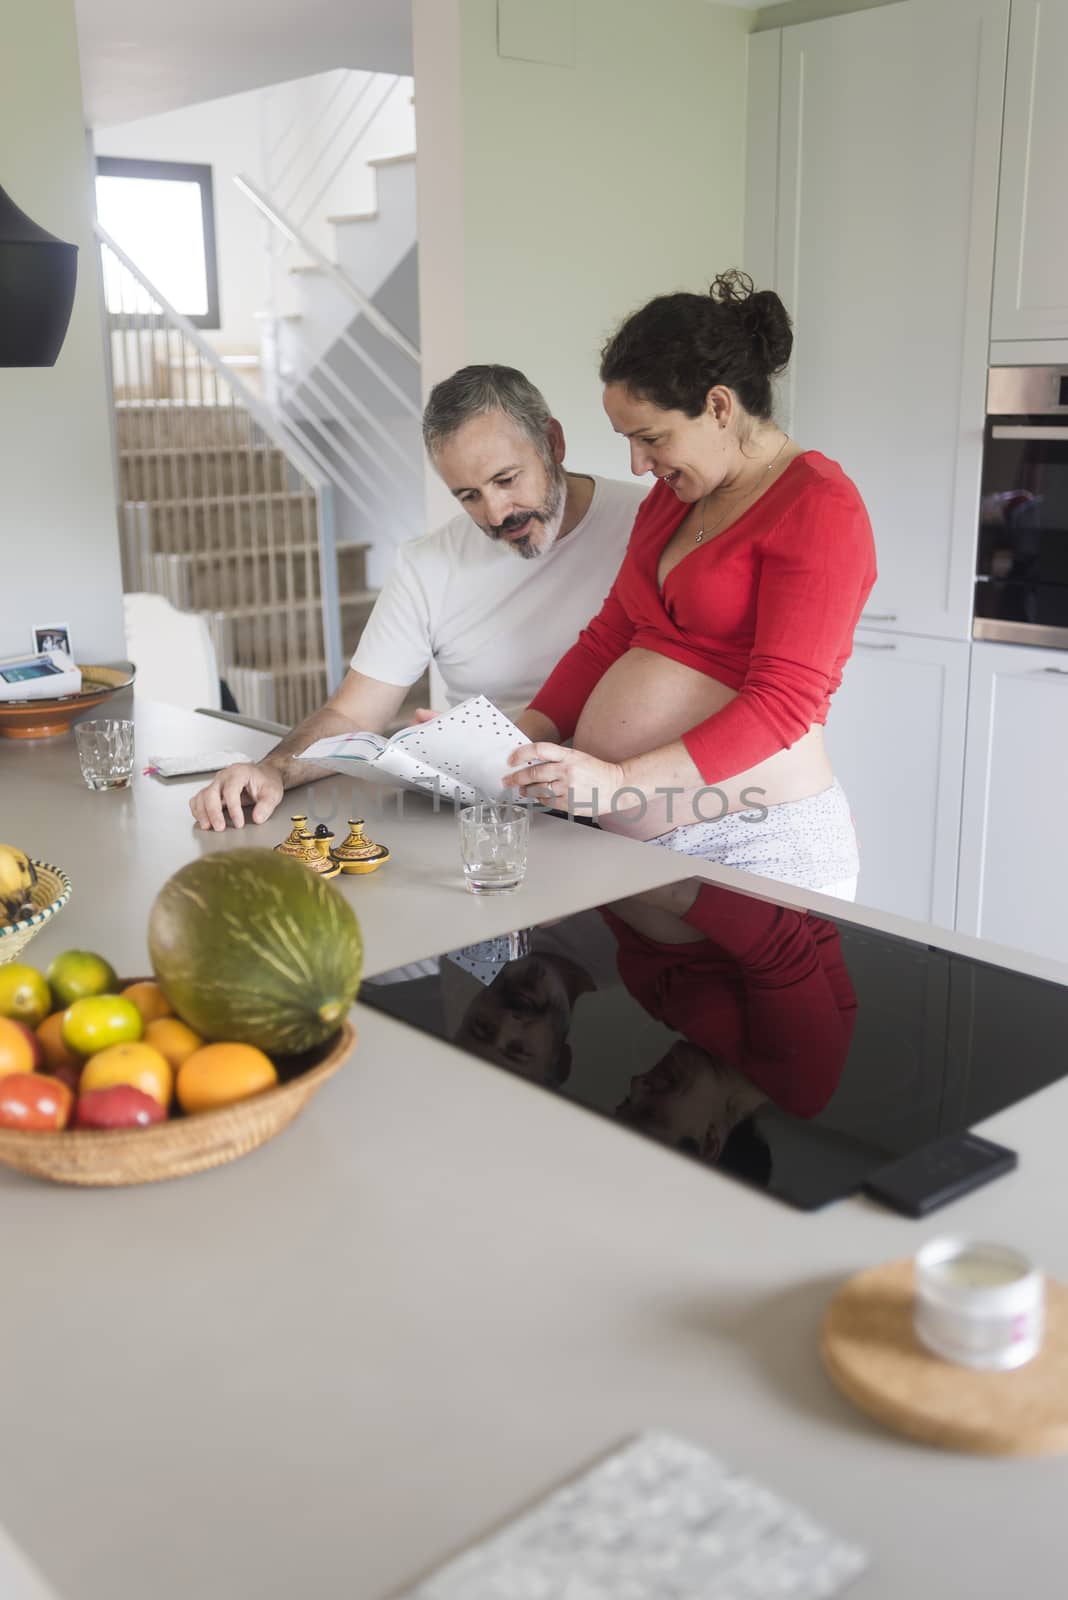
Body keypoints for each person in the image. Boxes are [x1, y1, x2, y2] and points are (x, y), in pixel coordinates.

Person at [502, 271, 877, 899]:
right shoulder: (671, 502)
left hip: (760, 841)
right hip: (642, 845)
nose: (637, 465)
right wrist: (511, 743)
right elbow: (608, 640)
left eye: (650, 438)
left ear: (720, 407)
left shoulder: (818, 506)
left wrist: (619, 781)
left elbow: (783, 703)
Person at [190, 365, 646, 831]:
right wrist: (272, 769)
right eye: (469, 496)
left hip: (629, 801)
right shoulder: (428, 564)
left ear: (553, 443)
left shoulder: (649, 523)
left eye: (507, 479)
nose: (495, 513)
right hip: (497, 813)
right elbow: (352, 713)